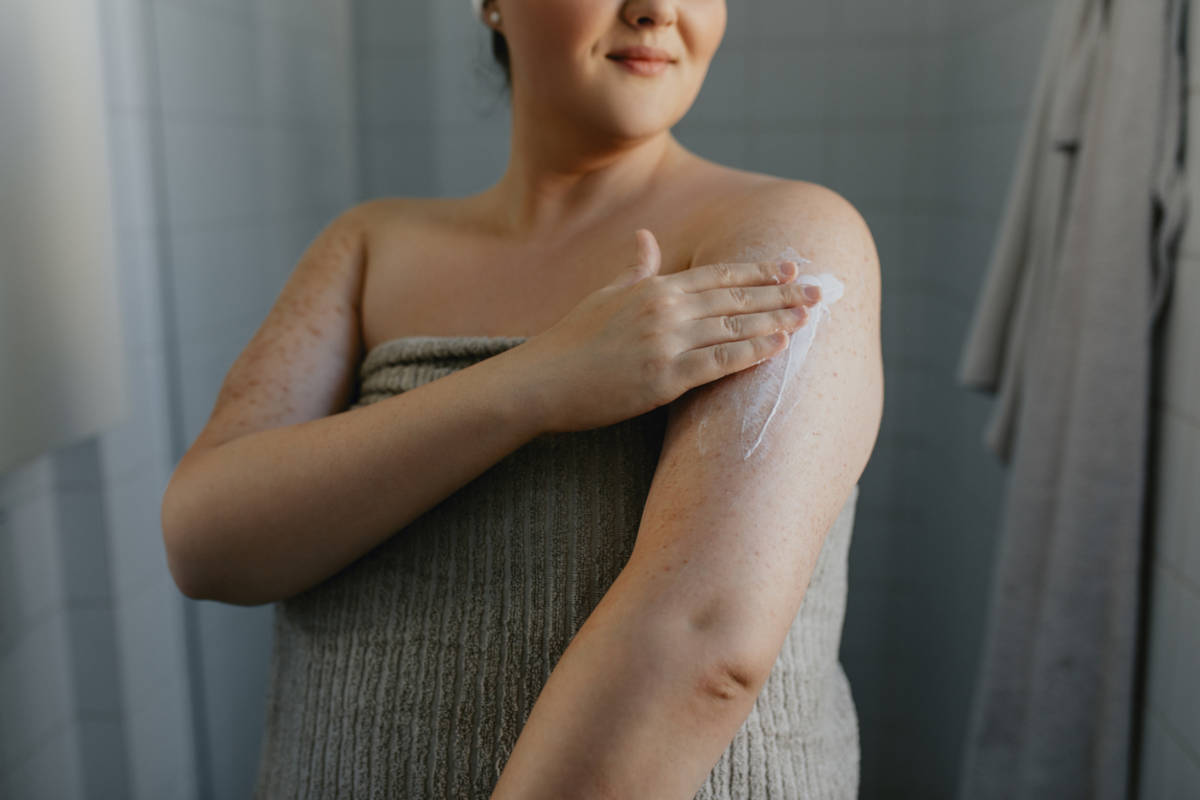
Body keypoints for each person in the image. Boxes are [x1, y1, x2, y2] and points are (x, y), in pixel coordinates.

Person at [160, 1, 884, 797]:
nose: (656, 9)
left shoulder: (790, 239)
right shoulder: (369, 245)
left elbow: (705, 643)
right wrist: (536, 383)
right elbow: (206, 543)